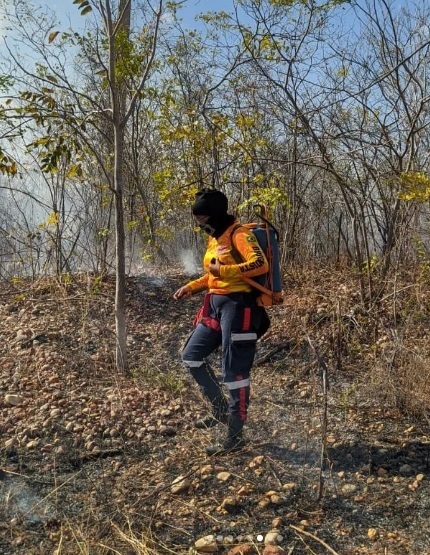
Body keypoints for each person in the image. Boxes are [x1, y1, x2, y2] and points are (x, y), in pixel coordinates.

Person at [173, 188, 270, 455]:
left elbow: (259, 264)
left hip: (240, 307)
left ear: (214, 214)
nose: (199, 222)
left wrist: (224, 270)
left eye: (202, 217)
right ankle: (218, 409)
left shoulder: (240, 234)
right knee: (191, 356)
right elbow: (212, 275)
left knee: (234, 372)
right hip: (214, 306)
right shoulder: (215, 238)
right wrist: (191, 287)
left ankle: (235, 437)